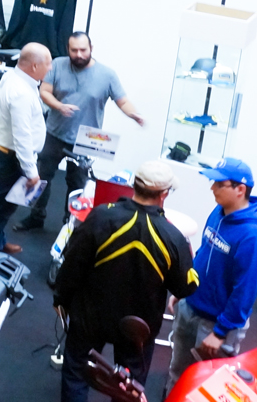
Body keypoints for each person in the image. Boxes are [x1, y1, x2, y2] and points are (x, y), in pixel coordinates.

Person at [53, 160, 196, 402]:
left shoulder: (100, 216)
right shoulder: (172, 236)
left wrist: (60, 299)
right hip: (137, 327)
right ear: (164, 194)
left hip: (90, 315)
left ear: (134, 185)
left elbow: (72, 263)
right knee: (128, 387)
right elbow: (186, 286)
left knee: (77, 374)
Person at [18, 32, 144, 231]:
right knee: (41, 176)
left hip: (87, 139)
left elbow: (123, 101)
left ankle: (70, 224)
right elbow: (44, 92)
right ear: (68, 49)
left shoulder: (107, 75)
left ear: (91, 48)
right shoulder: (57, 65)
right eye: (74, 50)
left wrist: (134, 114)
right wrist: (59, 106)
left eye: (83, 50)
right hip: (54, 133)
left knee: (77, 184)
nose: (79, 54)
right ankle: (36, 216)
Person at [166, 158, 257, 394]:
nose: (212, 188)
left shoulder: (251, 235)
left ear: (240, 189)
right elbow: (204, 253)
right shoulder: (218, 212)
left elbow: (245, 291)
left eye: (219, 184)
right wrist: (184, 289)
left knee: (207, 387)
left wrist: (220, 332)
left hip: (216, 324)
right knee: (177, 373)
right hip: (190, 307)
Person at [0, 42, 52, 258]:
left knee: (5, 203)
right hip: (11, 156)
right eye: (48, 63)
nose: (50, 68)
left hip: (6, 152)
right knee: (2, 205)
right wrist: (31, 171)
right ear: (34, 66)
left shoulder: (13, 77)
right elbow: (22, 136)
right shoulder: (21, 92)